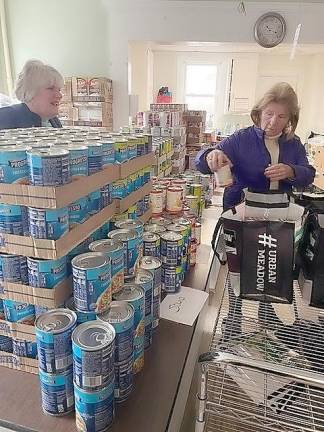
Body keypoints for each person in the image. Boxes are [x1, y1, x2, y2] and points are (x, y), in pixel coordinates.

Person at [195, 82, 315, 211]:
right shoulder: (240, 139)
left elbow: (308, 175)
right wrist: (209, 156)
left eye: (281, 116)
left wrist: (292, 171)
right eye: (269, 114)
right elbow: (200, 164)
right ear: (259, 113)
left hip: (280, 214)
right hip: (240, 213)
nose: (273, 122)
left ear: (289, 119)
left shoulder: (294, 143)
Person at [0, 59, 63, 129]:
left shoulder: (53, 120)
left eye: (59, 90)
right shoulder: (5, 117)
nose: (60, 95)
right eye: (51, 88)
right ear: (30, 91)